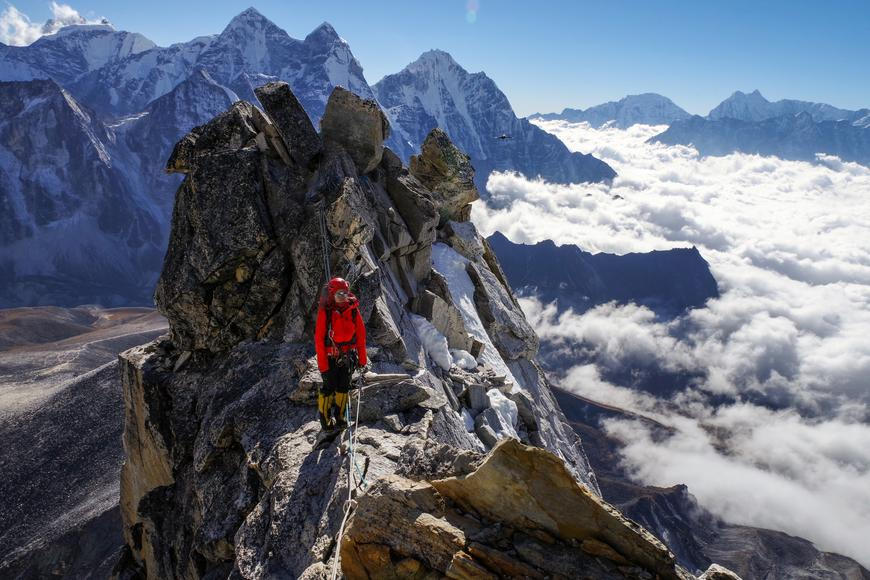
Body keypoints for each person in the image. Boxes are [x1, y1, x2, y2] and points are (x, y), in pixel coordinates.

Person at [314, 277, 367, 434]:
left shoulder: (353, 309)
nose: (342, 296)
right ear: (332, 294)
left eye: (345, 293)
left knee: (344, 386)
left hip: (347, 356)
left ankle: (340, 417)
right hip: (329, 358)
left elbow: (361, 336)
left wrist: (362, 359)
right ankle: (325, 421)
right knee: (329, 387)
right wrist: (323, 366)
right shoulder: (326, 311)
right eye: (339, 294)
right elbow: (319, 340)